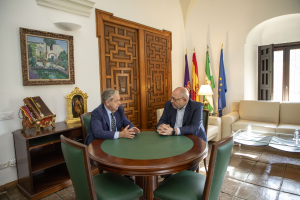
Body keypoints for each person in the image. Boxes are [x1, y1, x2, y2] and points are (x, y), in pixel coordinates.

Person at [156, 87, 207, 175]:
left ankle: (181, 180)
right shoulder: (169, 104)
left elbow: (195, 128)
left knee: (188, 166)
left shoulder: (196, 106)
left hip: (194, 141)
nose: (171, 101)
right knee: (161, 157)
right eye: (171, 97)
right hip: (173, 141)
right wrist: (162, 127)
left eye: (174, 99)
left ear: (184, 100)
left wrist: (173, 131)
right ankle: (168, 179)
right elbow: (161, 121)